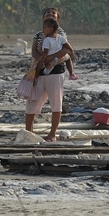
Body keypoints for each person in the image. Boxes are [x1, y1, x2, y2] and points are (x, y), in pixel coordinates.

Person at [26, 8, 75, 142]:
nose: (50, 14)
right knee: (32, 101)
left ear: (57, 19)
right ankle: (29, 133)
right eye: (47, 13)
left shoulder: (61, 35)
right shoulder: (38, 35)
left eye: (53, 13)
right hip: (39, 72)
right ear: (43, 19)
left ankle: (52, 134)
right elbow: (34, 52)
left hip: (56, 72)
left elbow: (65, 52)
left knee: (56, 103)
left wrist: (49, 60)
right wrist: (41, 61)